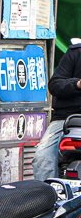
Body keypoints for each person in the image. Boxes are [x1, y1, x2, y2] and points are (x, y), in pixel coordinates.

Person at [34, 38, 81, 182]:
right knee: (42, 157)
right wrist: (77, 84)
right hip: (66, 119)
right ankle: (47, 199)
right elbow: (55, 85)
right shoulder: (76, 52)